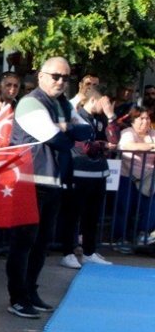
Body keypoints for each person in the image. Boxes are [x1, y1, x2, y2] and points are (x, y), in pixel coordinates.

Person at [6, 56, 91, 318]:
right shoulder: (31, 102)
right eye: (56, 76)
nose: (61, 82)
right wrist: (67, 129)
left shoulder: (63, 103)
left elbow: (86, 131)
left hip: (53, 182)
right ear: (41, 76)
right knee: (24, 243)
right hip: (29, 181)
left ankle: (30, 291)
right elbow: (58, 140)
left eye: (66, 77)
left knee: (42, 243)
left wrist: (66, 128)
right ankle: (18, 297)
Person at [58, 88, 113, 268]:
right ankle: (68, 252)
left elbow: (114, 139)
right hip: (79, 172)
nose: (105, 107)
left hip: (99, 173)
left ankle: (89, 251)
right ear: (92, 101)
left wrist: (110, 116)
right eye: (102, 103)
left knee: (93, 216)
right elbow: (82, 145)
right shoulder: (77, 116)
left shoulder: (102, 118)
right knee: (72, 215)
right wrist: (98, 145)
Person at [116, 106, 155, 244]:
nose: (145, 121)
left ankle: (143, 234)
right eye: (141, 118)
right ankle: (120, 238)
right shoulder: (128, 132)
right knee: (124, 207)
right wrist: (150, 147)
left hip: (149, 178)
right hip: (128, 177)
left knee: (150, 206)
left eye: (147, 118)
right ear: (133, 120)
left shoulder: (152, 133)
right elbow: (125, 145)